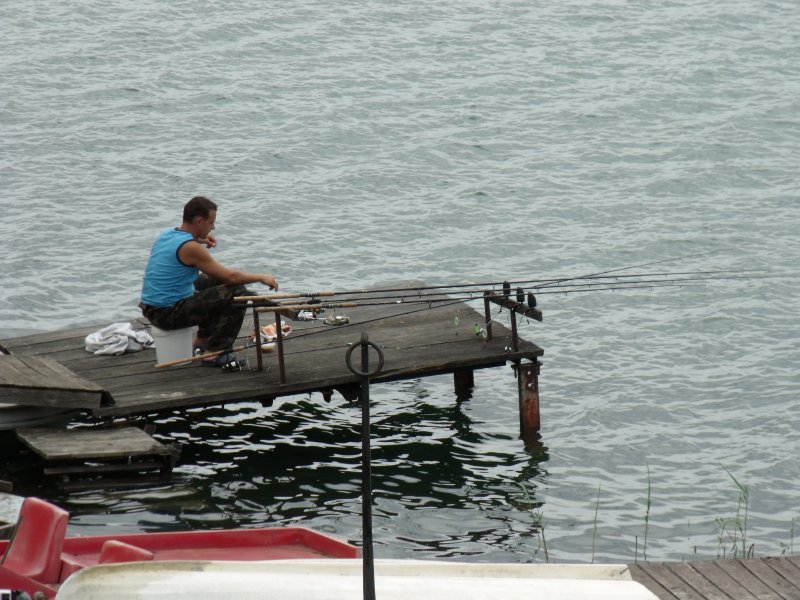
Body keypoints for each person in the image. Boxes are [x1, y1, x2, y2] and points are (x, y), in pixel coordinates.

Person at [139, 196, 278, 366]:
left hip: (152, 307)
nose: (213, 227)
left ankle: (202, 340)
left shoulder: (168, 234)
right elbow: (230, 277)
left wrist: (201, 239)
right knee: (237, 291)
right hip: (166, 314)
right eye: (211, 222)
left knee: (211, 281)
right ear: (199, 221)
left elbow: (186, 246)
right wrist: (261, 277)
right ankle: (215, 353)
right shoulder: (191, 248)